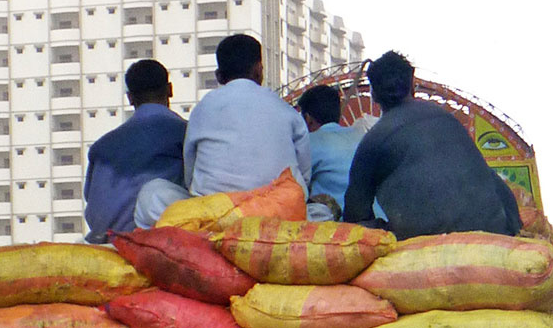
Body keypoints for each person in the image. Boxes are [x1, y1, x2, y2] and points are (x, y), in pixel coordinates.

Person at [135, 34, 311, 228]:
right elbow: (304, 177)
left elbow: (190, 176)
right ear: (259, 71)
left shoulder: (203, 108)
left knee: (151, 194)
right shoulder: (285, 110)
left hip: (215, 217)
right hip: (277, 216)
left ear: (218, 76)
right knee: (320, 211)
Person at [343, 51, 522, 240]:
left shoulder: (373, 142)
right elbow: (494, 184)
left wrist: (387, 230)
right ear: (412, 84)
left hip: (432, 245)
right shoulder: (447, 119)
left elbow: (355, 218)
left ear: (373, 94)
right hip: (497, 233)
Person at [83, 59, 187, 243]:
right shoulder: (185, 134)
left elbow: (91, 200)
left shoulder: (101, 147)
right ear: (170, 89)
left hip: (103, 242)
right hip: (154, 243)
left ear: (130, 97)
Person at [297, 84, 364, 212]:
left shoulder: (310, 142)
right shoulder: (361, 136)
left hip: (338, 225)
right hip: (377, 220)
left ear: (308, 119)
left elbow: (294, 183)